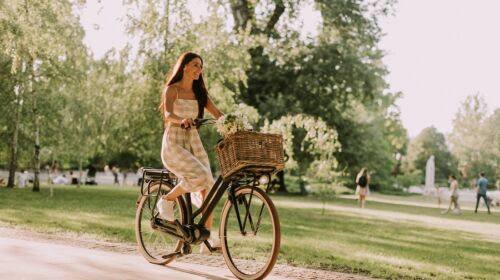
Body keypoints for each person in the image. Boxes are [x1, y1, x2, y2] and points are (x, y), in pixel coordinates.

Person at [156, 52, 223, 255]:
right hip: (174, 143)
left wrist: (233, 125)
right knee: (201, 176)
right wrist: (182, 119)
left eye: (200, 67)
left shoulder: (200, 93)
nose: (198, 70)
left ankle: (207, 237)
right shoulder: (172, 89)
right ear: (184, 66)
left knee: (209, 186)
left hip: (193, 142)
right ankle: (166, 199)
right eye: (195, 65)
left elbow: (218, 115)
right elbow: (168, 115)